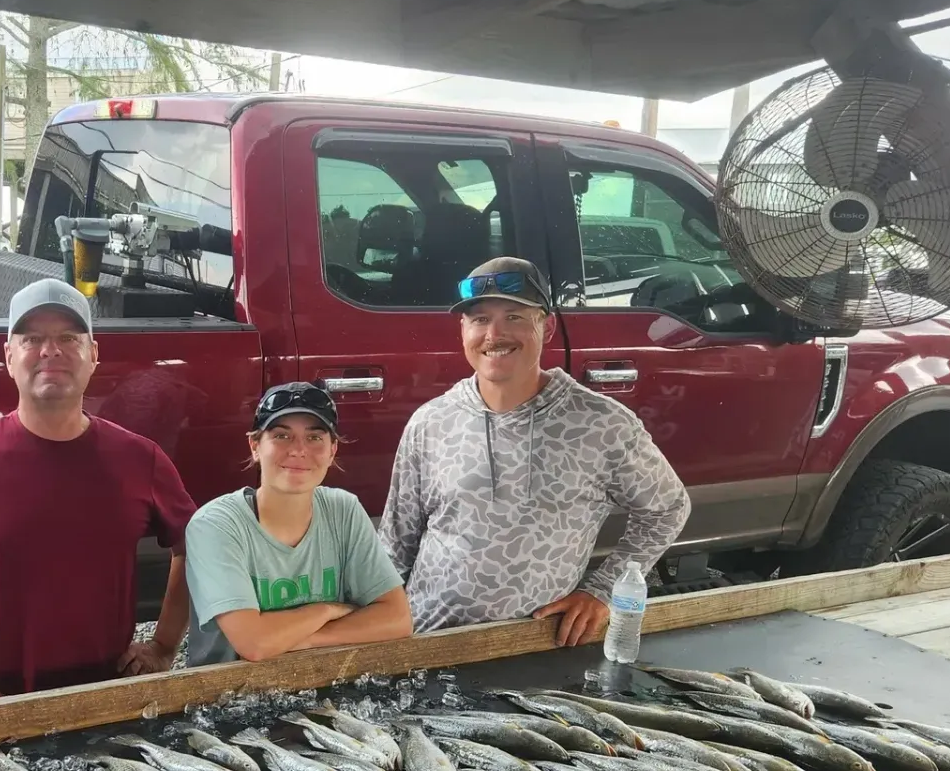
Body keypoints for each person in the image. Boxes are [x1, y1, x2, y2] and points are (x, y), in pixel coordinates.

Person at [0, 279, 196, 697]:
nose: (50, 350)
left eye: (68, 338)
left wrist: (164, 645)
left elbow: (195, 546)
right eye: (32, 337)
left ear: (93, 354)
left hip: (109, 697)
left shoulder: (140, 460)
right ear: (8, 356)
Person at [381, 256, 689, 645]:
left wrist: (602, 589)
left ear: (547, 326)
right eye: (479, 319)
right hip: (426, 640)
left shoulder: (601, 424)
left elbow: (667, 508)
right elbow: (395, 543)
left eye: (514, 317)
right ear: (462, 330)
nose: (494, 334)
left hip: (533, 649)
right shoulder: (430, 422)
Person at [184, 382, 411, 664]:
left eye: (315, 438)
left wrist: (304, 639)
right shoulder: (215, 524)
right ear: (255, 446)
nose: (299, 450)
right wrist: (326, 610)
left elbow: (398, 619)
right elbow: (254, 645)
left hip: (321, 684)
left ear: (332, 451)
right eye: (281, 435)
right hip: (227, 694)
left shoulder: (343, 509)